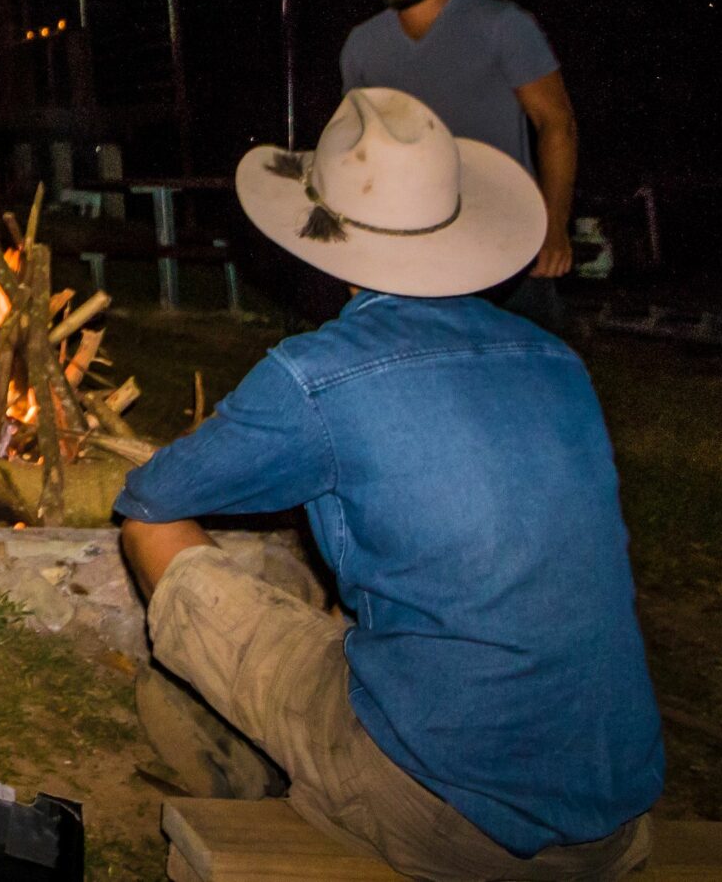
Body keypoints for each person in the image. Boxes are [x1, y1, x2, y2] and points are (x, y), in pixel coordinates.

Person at [116, 87, 661, 880]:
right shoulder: (558, 362)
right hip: (612, 816)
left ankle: (275, 768)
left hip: (453, 819)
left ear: (320, 234)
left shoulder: (318, 373)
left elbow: (155, 491)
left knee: (150, 529)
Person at [341, 0, 578, 328]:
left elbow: (556, 124)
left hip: (506, 237)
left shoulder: (503, 25)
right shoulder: (361, 46)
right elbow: (360, 148)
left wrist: (554, 225)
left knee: (525, 371)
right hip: (411, 245)